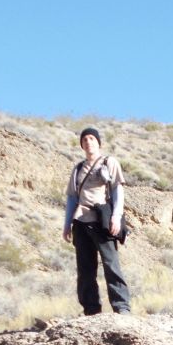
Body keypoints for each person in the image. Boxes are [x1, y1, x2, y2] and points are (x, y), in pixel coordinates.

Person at [63, 127, 131, 315]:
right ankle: (91, 310)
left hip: (103, 221)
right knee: (85, 270)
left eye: (92, 138)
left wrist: (116, 216)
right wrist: (67, 224)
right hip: (80, 222)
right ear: (81, 145)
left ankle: (122, 307)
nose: (88, 142)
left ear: (98, 142)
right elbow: (71, 198)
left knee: (111, 264)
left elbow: (118, 190)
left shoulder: (109, 162)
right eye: (85, 139)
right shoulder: (77, 169)